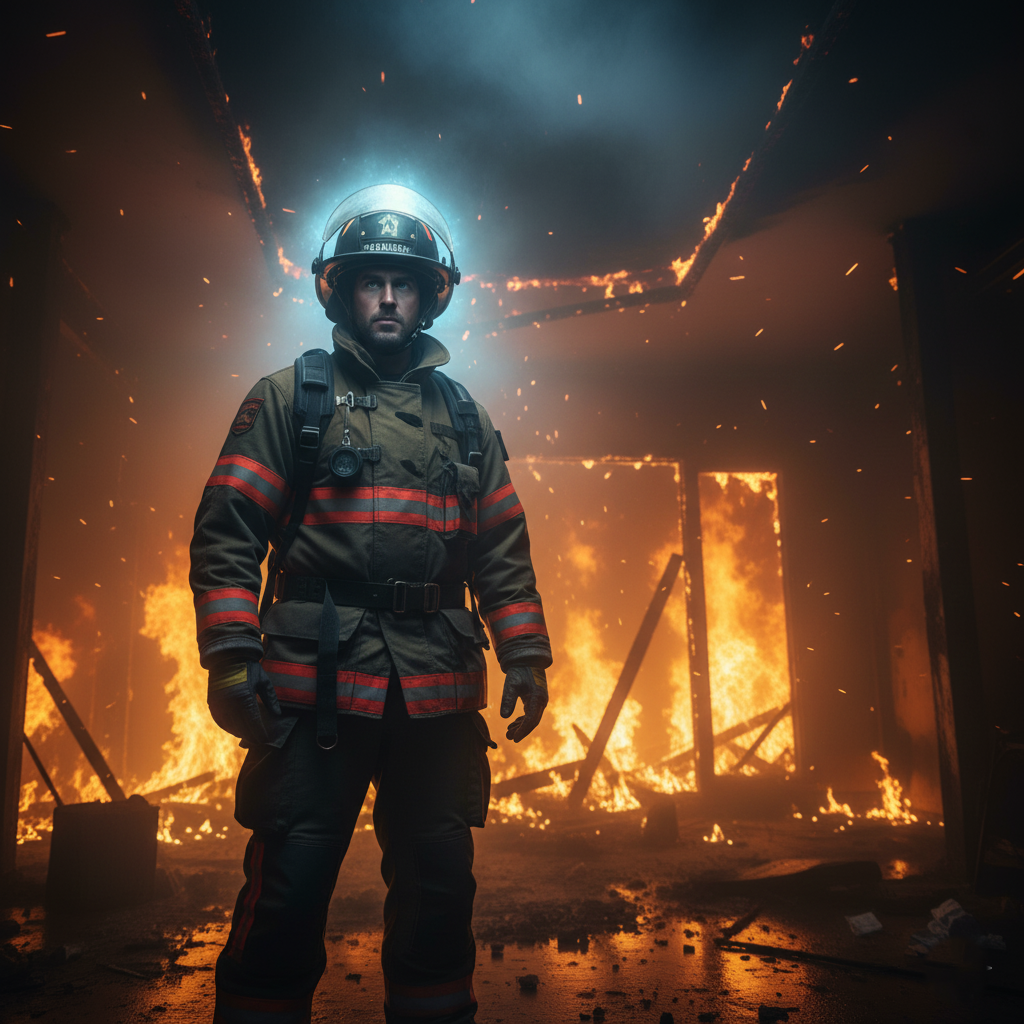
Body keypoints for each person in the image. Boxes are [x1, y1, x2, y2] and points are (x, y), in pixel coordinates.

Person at [189, 184, 551, 1024]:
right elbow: (228, 536)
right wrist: (234, 657)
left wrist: (527, 652)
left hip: (435, 697)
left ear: (428, 298)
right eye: (371, 281)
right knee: (289, 889)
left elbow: (501, 549)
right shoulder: (291, 399)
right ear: (343, 291)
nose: (388, 296)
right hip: (313, 693)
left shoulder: (464, 418)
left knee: (437, 896)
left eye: (405, 283)